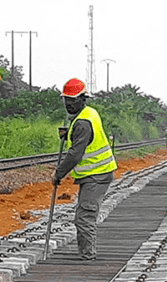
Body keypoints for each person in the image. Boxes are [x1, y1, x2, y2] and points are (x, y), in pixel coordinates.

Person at [53, 78, 118, 261]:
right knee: (84, 214)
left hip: (96, 175)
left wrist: (58, 174)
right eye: (67, 99)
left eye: (73, 100)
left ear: (83, 98)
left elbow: (75, 154)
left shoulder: (82, 123)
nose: (69, 104)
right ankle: (86, 252)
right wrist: (69, 134)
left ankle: (87, 256)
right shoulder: (88, 113)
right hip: (95, 174)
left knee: (84, 216)